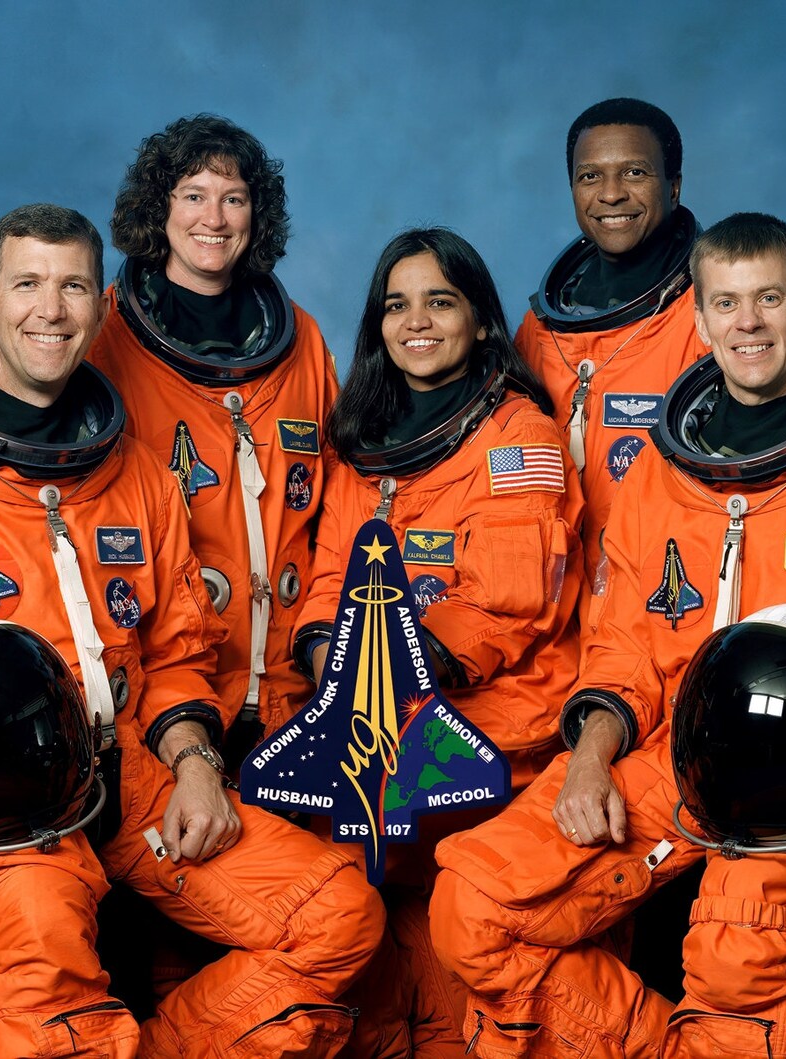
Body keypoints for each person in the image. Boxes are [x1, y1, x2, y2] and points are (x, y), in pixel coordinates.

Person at [0, 204, 383, 1058]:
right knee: (45, 953)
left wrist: (195, 761)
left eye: (73, 285)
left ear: (99, 306)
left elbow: (177, 656)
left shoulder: (143, 481)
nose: (50, 308)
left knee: (338, 912)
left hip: (122, 775)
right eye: (28, 285)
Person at [430, 213, 786, 1058]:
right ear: (698, 321)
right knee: (473, 905)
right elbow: (622, 647)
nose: (748, 323)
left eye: (768, 298)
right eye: (728, 303)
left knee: (741, 928)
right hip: (677, 758)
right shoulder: (660, 471)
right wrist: (589, 759)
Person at [292, 227, 583, 1055]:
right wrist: (334, 675)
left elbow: (504, 604)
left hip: (495, 736)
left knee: (465, 973)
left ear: (483, 321)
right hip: (374, 731)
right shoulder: (364, 437)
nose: (416, 321)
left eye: (440, 301)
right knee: (368, 957)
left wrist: (384, 688)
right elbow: (325, 582)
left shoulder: (519, 437)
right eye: (397, 304)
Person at [90, 114, 337, 756]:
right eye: (193, 195)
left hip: (297, 690)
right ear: (159, 209)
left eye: (234, 198)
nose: (215, 219)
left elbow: (338, 502)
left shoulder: (302, 341)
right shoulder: (102, 341)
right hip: (171, 703)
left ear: (257, 214)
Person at [514, 98, 711, 583]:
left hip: (658, 593)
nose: (611, 194)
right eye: (590, 177)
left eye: (634, 173)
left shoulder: (714, 315)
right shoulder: (540, 328)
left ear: (675, 186)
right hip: (553, 603)